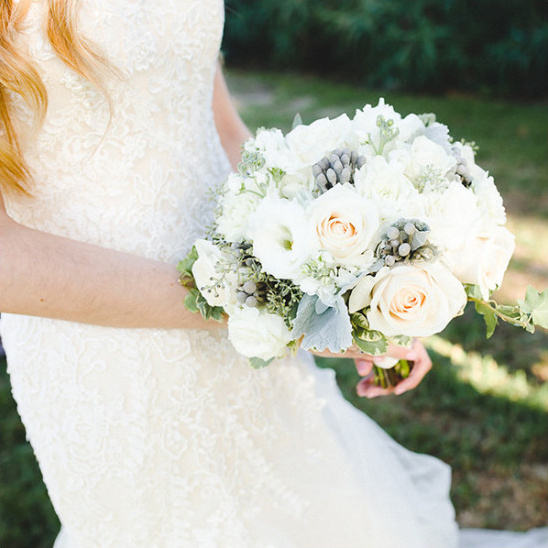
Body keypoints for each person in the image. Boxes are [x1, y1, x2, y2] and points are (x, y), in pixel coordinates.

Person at [0, 1, 461, 547]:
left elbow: (216, 124)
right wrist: (254, 305)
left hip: (244, 284)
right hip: (105, 337)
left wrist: (342, 282)